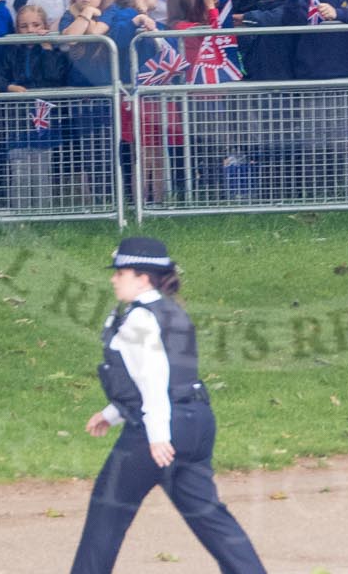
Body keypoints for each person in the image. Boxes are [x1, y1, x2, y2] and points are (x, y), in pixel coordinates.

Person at [70, 236, 267, 574]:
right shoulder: (172, 311)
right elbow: (169, 377)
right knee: (211, 519)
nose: (113, 278)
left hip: (159, 430)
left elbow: (154, 380)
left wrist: (159, 435)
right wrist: (111, 414)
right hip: (198, 422)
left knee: (107, 514)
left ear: (142, 277)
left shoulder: (138, 320)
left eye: (121, 272)